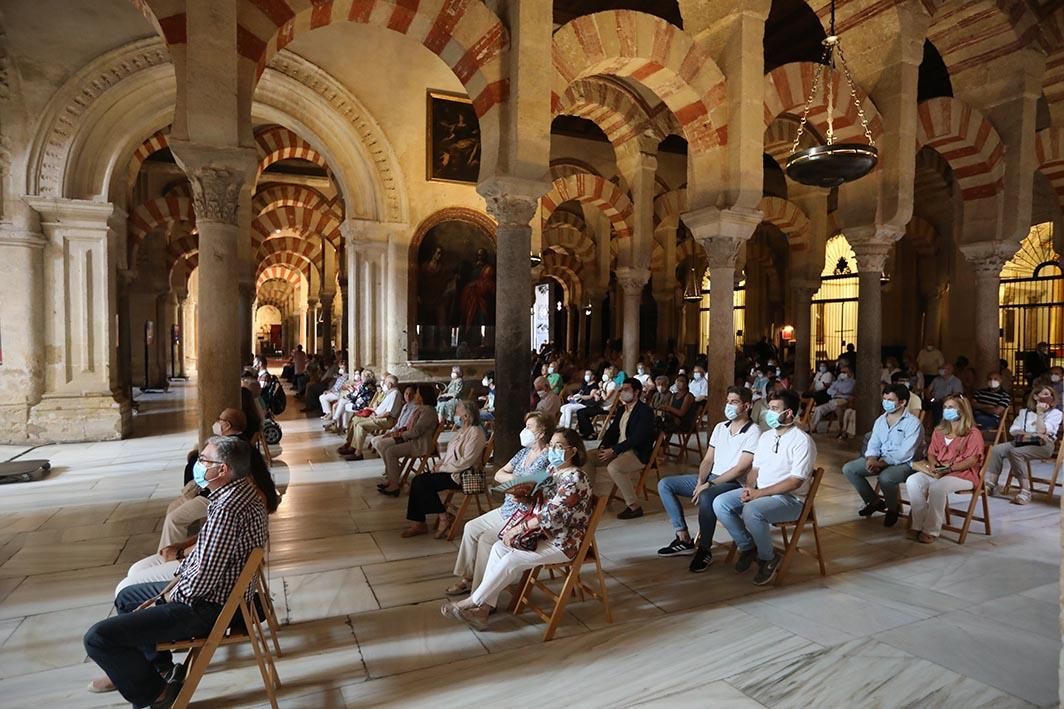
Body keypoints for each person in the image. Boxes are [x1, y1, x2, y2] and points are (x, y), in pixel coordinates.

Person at [83, 437, 268, 708]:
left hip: (205, 608)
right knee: (127, 598)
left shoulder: (229, 509)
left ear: (223, 469)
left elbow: (203, 579)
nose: (199, 464)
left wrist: (164, 599)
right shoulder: (239, 493)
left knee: (99, 638)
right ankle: (157, 669)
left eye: (205, 460)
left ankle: (156, 695)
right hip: (215, 597)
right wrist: (172, 580)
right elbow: (205, 558)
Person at [441, 427, 593, 630]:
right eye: (551, 446)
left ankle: (472, 602)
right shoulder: (552, 471)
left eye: (559, 446)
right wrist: (524, 496)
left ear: (573, 451)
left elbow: (551, 514)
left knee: (511, 560)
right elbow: (540, 503)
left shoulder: (575, 478)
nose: (553, 451)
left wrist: (518, 529)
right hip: (543, 534)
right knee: (498, 548)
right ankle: (483, 610)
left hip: (562, 541)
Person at [713, 389, 816, 585]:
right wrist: (749, 489)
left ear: (789, 413)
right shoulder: (766, 437)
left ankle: (768, 558)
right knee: (720, 503)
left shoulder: (802, 441)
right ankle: (748, 547)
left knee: (752, 510)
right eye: (769, 408)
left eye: (775, 408)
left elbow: (796, 481)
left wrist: (759, 494)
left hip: (790, 500)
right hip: (762, 493)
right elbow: (755, 469)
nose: (770, 412)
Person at [446, 412, 554, 596]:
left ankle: (480, 593)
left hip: (524, 513)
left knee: (486, 540)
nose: (524, 431)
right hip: (508, 508)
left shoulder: (548, 457)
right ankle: (468, 578)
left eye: (529, 428)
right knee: (471, 527)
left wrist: (521, 483)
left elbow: (544, 487)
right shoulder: (523, 453)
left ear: (542, 432)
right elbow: (499, 474)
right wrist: (517, 479)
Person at [657, 386, 760, 572]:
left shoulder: (754, 431)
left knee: (707, 496)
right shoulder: (721, 427)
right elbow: (707, 459)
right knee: (665, 484)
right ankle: (683, 538)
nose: (729, 406)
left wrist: (709, 485)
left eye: (734, 402)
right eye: (728, 401)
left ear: (746, 405)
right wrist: (700, 482)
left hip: (732, 482)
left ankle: (704, 549)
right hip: (711, 478)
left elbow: (740, 469)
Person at [158, 408, 247, 550]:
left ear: (228, 425)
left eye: (220, 419)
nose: (216, 422)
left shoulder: (236, 446)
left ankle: (169, 558)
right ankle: (166, 550)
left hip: (213, 495)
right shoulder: (223, 441)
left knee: (174, 519)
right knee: (172, 509)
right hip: (205, 489)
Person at [401, 402, 487, 538]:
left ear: (466, 414)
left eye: (458, 409)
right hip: (450, 470)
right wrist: (440, 464)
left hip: (462, 474)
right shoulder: (461, 430)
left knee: (422, 483)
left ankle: (442, 517)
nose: (456, 411)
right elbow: (449, 455)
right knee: (417, 481)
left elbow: (467, 461)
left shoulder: (475, 432)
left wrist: (443, 468)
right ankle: (420, 522)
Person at [840, 384, 922, 527]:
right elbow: (874, 443)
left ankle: (892, 509)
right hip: (880, 458)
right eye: (884, 399)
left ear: (902, 402)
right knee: (849, 469)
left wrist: (882, 463)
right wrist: (871, 458)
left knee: (886, 478)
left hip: (904, 463)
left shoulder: (912, 423)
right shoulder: (880, 420)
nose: (886, 403)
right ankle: (874, 501)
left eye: (890, 400)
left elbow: (906, 452)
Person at [906, 395, 985, 543]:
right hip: (940, 471)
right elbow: (931, 452)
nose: (947, 410)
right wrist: (934, 463)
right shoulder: (939, 430)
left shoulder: (972, 433)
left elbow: (971, 460)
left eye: (951, 408)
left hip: (963, 474)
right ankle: (918, 523)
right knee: (912, 481)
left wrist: (949, 468)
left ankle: (931, 530)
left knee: (937, 488)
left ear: (962, 410)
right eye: (945, 407)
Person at [984, 384, 1062, 504]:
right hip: (1022, 441)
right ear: (1036, 397)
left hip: (1043, 445)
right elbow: (1014, 430)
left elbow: (1043, 431)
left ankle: (1025, 491)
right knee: (996, 449)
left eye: (1051, 395)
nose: (1049, 397)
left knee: (1015, 452)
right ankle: (992, 483)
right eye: (1045, 394)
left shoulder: (1056, 413)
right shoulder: (1024, 412)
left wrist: (1040, 414)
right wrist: (1032, 435)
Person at [597, 378, 656, 519]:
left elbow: (637, 439)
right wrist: (604, 447)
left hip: (636, 452)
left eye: (626, 389)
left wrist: (615, 450)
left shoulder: (645, 411)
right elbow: (612, 431)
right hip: (618, 449)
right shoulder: (622, 410)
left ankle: (634, 506)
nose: (622, 392)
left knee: (614, 468)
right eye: (622, 389)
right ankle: (585, 498)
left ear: (636, 392)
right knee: (584, 458)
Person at [373, 385, 440, 496]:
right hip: (413, 440)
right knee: (385, 447)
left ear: (423, 396)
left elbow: (416, 432)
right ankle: (392, 479)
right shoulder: (421, 408)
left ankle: (394, 485)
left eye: (417, 393)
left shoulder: (428, 412)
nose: (416, 396)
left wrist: (400, 435)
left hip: (419, 443)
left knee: (390, 451)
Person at [337, 375, 403, 459]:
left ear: (390, 384)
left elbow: (388, 413)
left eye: (385, 382)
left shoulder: (395, 394)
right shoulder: (390, 393)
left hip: (386, 420)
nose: (384, 384)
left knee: (361, 425)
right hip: (379, 416)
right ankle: (351, 446)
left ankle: (358, 453)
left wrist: (376, 416)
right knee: (355, 420)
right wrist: (374, 412)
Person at [808, 364, 855, 433]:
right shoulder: (838, 381)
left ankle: (842, 429)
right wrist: (837, 393)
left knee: (837, 406)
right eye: (842, 372)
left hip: (844, 400)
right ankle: (812, 428)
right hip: (834, 400)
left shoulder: (852, 382)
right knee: (819, 409)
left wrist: (838, 392)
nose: (843, 374)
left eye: (845, 372)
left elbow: (848, 391)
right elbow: (829, 390)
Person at [576, 366, 619, 438]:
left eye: (606, 373)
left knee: (583, 413)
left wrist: (601, 388)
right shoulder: (605, 383)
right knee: (580, 411)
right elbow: (598, 394)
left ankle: (590, 433)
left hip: (605, 407)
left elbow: (605, 398)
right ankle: (584, 432)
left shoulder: (613, 385)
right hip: (599, 405)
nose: (604, 375)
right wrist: (596, 394)